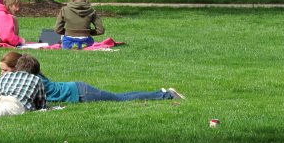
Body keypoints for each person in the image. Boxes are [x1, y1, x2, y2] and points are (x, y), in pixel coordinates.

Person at [19, 54, 185, 103]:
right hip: (78, 89)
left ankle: (166, 95)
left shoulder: (33, 82)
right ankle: (160, 93)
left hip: (82, 93)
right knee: (121, 97)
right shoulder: (37, 78)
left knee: (121, 99)